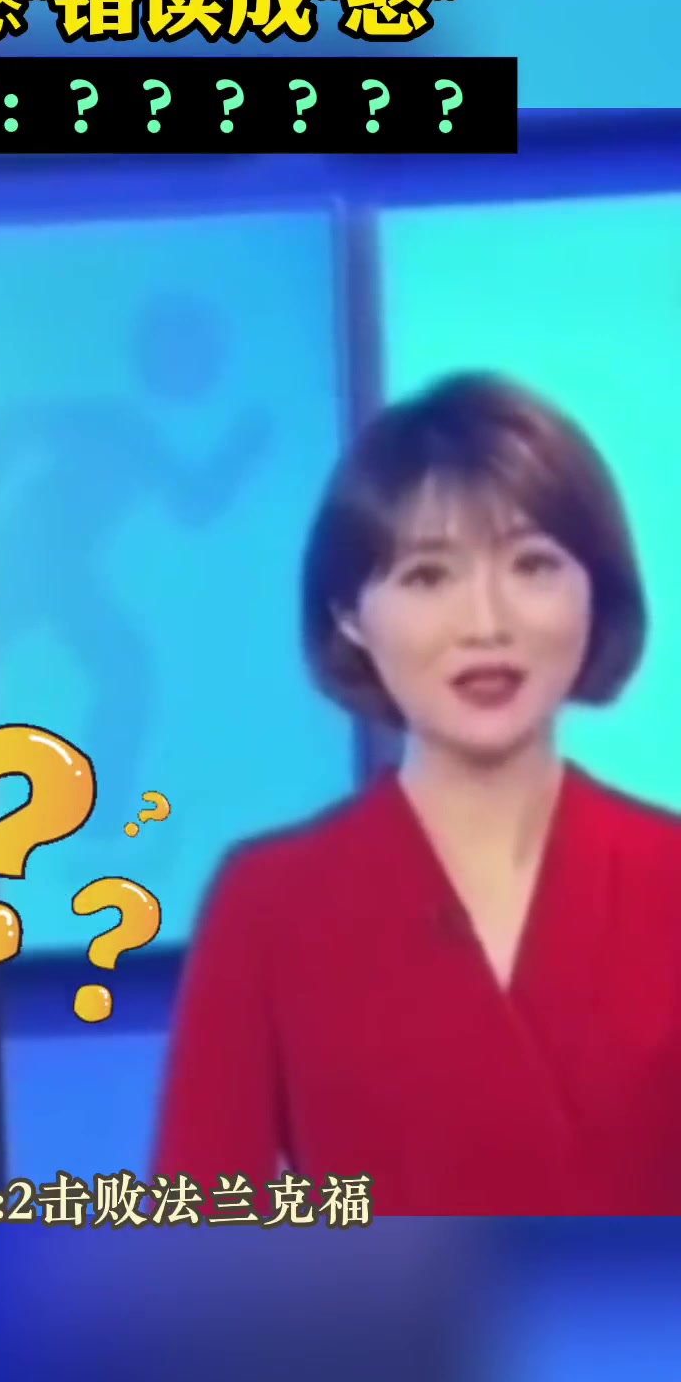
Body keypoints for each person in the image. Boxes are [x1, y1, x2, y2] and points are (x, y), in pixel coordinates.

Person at [152, 371, 681, 1217]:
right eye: (428, 577)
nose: (486, 624)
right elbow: (200, 1236)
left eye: (533, 566)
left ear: (597, 592)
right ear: (350, 615)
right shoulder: (270, 906)